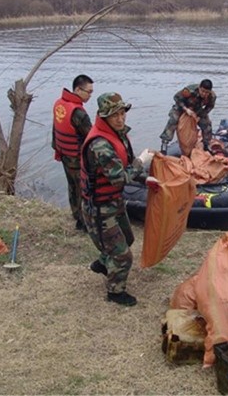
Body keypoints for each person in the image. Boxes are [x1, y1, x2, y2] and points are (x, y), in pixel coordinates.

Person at [80, 92, 155, 307]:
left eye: (122, 113)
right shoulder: (100, 145)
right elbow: (119, 179)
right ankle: (115, 292)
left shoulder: (118, 135)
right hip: (99, 208)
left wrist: (145, 179)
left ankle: (103, 263)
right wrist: (141, 161)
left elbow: (126, 165)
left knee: (127, 238)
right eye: (115, 115)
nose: (120, 119)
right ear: (104, 117)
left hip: (114, 202)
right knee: (123, 255)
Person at [52, 74, 94, 232]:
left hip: (64, 153)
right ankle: (83, 223)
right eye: (88, 92)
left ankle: (75, 214)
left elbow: (55, 128)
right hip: (76, 158)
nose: (90, 95)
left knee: (72, 186)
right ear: (77, 89)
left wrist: (57, 149)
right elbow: (91, 136)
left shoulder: (59, 104)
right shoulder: (78, 113)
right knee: (83, 189)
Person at [159, 79, 216, 154]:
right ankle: (164, 143)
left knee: (207, 124)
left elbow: (210, 107)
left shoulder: (212, 96)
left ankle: (206, 145)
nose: (204, 94)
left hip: (197, 109)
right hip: (181, 107)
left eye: (207, 92)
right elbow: (176, 97)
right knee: (173, 120)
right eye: (202, 91)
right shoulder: (189, 91)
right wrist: (186, 109)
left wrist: (200, 115)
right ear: (199, 87)